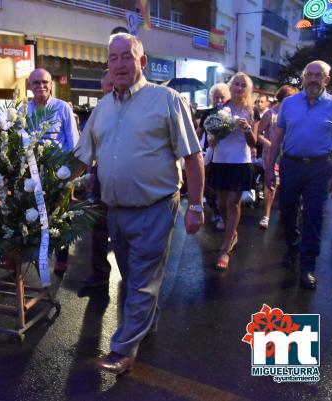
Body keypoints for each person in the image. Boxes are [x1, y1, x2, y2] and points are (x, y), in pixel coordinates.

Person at [72, 33, 204, 374]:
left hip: (156, 207)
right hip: (115, 211)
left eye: (126, 57)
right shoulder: (102, 107)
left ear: (142, 62)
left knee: (142, 279)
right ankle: (146, 324)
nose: (119, 64)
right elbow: (81, 158)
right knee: (132, 277)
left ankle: (123, 349)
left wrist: (196, 206)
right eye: (113, 58)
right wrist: (43, 181)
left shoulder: (167, 100)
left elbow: (192, 156)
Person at [265, 60, 332, 290]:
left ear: (326, 80)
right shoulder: (288, 104)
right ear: (303, 78)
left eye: (319, 75)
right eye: (309, 74)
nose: (313, 79)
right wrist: (269, 169)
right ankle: (292, 246)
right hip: (291, 165)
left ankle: (308, 266)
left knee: (314, 217)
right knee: (287, 211)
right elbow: (277, 138)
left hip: (320, 168)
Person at [26, 68, 80, 276]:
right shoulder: (25, 110)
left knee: (61, 217)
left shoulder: (63, 107)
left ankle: (62, 258)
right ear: (30, 86)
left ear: (51, 84)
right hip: (31, 174)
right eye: (36, 82)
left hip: (59, 173)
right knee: (34, 216)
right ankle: (37, 256)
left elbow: (73, 143)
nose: (41, 86)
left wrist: (70, 176)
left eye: (45, 82)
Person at [207, 72, 257, 271]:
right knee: (221, 203)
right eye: (236, 83)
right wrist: (215, 136)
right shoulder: (221, 108)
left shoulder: (250, 111)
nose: (238, 87)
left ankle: (225, 249)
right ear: (230, 86)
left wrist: (246, 129)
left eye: (243, 84)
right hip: (220, 161)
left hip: (239, 161)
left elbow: (253, 143)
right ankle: (232, 233)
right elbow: (212, 139)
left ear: (247, 89)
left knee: (232, 203)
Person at [80, 69, 113, 290]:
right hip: (102, 174)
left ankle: (132, 278)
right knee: (100, 226)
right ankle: (100, 272)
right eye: (108, 86)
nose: (112, 90)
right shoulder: (99, 110)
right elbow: (85, 148)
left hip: (129, 178)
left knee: (127, 230)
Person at [255, 85, 299, 230]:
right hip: (271, 154)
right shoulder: (271, 114)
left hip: (289, 154)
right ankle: (266, 215)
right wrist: (269, 144)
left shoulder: (294, 114)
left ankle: (282, 211)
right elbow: (258, 133)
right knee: (271, 184)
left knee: (286, 185)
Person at [200, 83, 231, 231]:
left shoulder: (230, 113)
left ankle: (222, 214)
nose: (219, 100)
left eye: (222, 97)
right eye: (216, 97)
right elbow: (199, 132)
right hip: (209, 152)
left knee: (220, 186)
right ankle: (215, 209)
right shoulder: (208, 112)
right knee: (207, 185)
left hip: (225, 154)